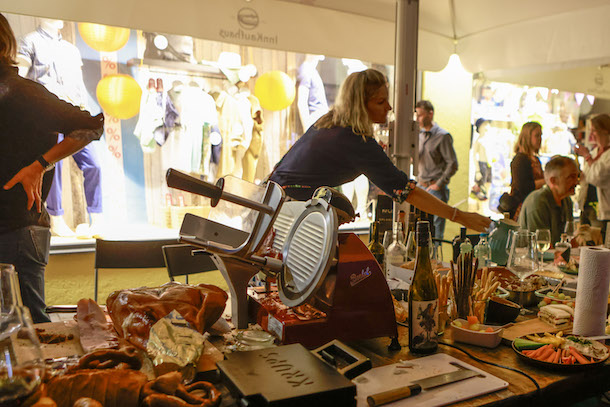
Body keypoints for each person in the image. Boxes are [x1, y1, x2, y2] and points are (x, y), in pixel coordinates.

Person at [269, 69, 490, 233]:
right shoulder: (355, 140)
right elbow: (405, 190)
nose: (389, 107)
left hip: (272, 202)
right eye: (381, 101)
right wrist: (458, 216)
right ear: (361, 105)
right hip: (287, 214)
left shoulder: (329, 123)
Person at [0, 14, 104, 323]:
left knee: (29, 328)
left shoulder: (22, 92)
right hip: (16, 227)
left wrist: (41, 164)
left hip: (18, 229)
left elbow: (90, 125)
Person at [17, 19, 103, 237]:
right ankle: (56, 218)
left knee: (93, 164)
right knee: (51, 165)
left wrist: (85, 111)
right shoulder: (30, 41)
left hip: (73, 112)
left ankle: (97, 217)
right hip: (47, 114)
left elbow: (78, 84)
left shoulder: (71, 50)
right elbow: (20, 77)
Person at [415, 100, 458, 240]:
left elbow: (452, 164)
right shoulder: (418, 135)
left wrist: (438, 184)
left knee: (436, 234)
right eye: (416, 115)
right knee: (418, 232)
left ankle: (436, 254)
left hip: (436, 189)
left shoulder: (443, 136)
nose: (417, 118)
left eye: (420, 115)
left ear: (430, 114)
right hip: (420, 186)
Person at [518, 156, 579, 246]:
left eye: (577, 176)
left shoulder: (566, 201)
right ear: (553, 181)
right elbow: (541, 246)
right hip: (528, 254)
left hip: (555, 254)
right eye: (571, 177)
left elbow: (570, 240)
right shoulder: (538, 202)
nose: (576, 182)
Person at [575, 113, 610, 240]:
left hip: (602, 210)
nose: (592, 134)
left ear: (604, 131)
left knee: (598, 242)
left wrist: (587, 156)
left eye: (594, 130)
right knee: (583, 241)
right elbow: (587, 177)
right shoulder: (595, 152)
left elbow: (598, 177)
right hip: (586, 206)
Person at [504, 122, 545, 219]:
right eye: (537, 136)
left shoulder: (535, 159)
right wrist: (545, 181)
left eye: (541, 135)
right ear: (527, 137)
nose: (540, 139)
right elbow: (523, 187)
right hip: (523, 207)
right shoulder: (520, 160)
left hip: (534, 203)